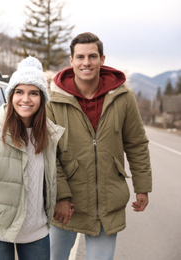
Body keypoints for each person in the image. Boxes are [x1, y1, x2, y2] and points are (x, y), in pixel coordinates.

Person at [45, 32, 153, 260]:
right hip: (65, 206)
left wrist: (142, 186)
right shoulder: (53, 99)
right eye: (80, 57)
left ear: (102, 59)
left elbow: (136, 144)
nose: (86, 62)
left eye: (92, 56)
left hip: (107, 204)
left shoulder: (123, 97)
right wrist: (60, 197)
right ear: (71, 60)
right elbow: (47, 152)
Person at [0, 56, 65, 260]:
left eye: (33, 93)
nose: (26, 99)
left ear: (42, 98)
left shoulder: (48, 132)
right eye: (19, 92)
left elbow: (51, 174)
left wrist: (61, 198)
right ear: (11, 95)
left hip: (36, 229)